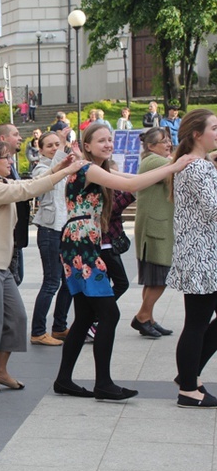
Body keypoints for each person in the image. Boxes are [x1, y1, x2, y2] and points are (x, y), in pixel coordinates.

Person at [54, 123, 193, 400]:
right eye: (101, 141)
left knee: (84, 316)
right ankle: (103, 384)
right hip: (81, 242)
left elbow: (131, 177)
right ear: (88, 145)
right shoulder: (87, 168)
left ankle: (63, 380)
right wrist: (173, 167)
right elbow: (131, 184)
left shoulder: (96, 169)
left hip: (81, 240)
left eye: (110, 140)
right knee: (109, 314)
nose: (108, 144)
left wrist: (178, 164)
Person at [0, 141, 82, 393]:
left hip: (0, 266)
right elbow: (27, 190)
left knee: (17, 318)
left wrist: (57, 168)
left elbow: (23, 185)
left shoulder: (3, 182)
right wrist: (65, 172)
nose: (11, 162)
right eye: (6, 158)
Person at [168, 109, 217, 407]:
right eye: (214, 127)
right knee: (196, 323)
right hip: (200, 255)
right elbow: (213, 208)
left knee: (198, 322)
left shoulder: (202, 164)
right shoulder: (196, 168)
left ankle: (189, 372)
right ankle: (188, 387)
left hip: (206, 253)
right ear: (197, 134)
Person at [30, 130, 74, 346]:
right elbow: (47, 182)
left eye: (58, 144)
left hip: (66, 229)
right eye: (50, 145)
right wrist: (62, 152)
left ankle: (59, 327)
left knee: (68, 282)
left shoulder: (66, 165)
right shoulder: (41, 167)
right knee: (51, 282)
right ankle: (38, 331)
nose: (55, 148)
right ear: (40, 150)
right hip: (49, 230)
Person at [132, 128, 175, 338]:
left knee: (153, 279)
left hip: (157, 227)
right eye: (163, 141)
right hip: (155, 230)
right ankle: (141, 317)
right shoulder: (152, 161)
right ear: (150, 146)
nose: (168, 144)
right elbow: (179, 166)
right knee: (160, 278)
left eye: (169, 141)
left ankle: (149, 318)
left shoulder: (156, 161)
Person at [0, 124, 28, 285]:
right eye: (15, 134)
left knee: (15, 280)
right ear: (3, 138)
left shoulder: (11, 165)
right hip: (6, 236)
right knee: (10, 282)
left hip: (15, 236)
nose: (20, 138)